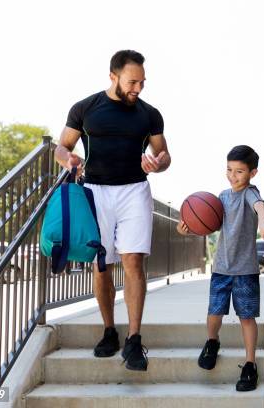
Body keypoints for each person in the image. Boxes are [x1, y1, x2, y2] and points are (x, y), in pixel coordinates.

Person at [55, 50, 171, 371]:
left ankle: (134, 340)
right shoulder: (85, 109)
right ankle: (109, 330)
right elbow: (62, 146)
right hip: (95, 192)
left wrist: (157, 163)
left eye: (142, 82)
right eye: (132, 81)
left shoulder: (149, 114)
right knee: (102, 263)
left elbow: (164, 155)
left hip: (135, 189)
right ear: (113, 76)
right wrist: (68, 159)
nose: (138, 88)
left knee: (133, 260)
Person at [177, 145, 264, 391]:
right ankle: (212, 341)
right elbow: (209, 222)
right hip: (221, 268)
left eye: (240, 172)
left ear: (252, 173)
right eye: (229, 170)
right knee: (214, 313)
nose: (233, 176)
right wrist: (189, 227)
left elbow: (261, 208)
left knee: (247, 317)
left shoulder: (251, 194)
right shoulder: (221, 197)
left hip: (245, 270)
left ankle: (250, 364)